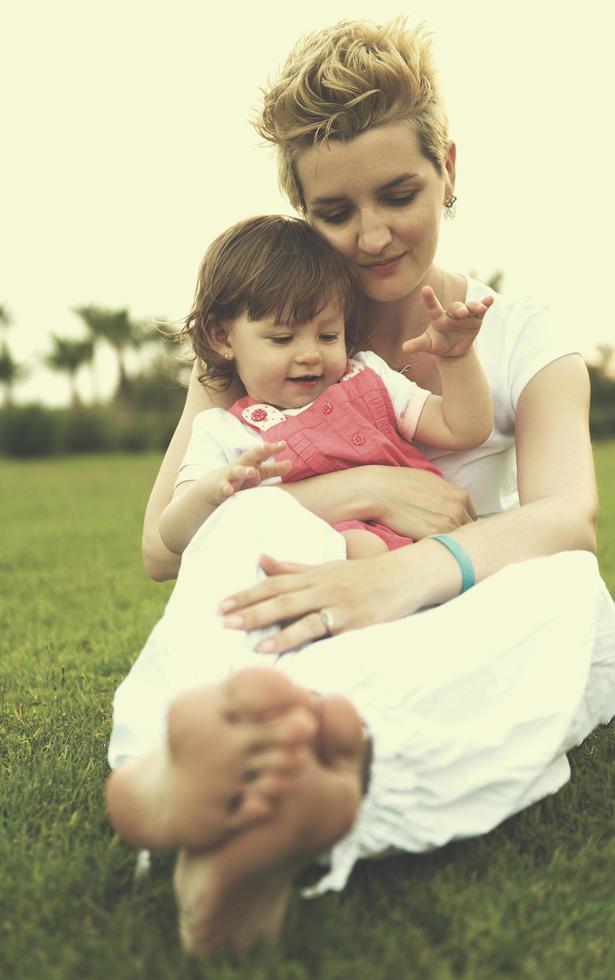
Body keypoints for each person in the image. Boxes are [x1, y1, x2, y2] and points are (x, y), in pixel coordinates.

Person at [105, 17, 615, 958]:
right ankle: (202, 776)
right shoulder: (259, 346)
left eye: (399, 193)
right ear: (300, 209)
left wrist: (400, 574)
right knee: (248, 518)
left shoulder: (523, 338)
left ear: (448, 169)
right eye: (335, 212)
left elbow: (567, 518)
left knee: (567, 591)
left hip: (441, 617)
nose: (372, 235)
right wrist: (358, 493)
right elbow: (160, 547)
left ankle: (270, 794)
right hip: (294, 598)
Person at [159, 214, 494, 560]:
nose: (310, 355)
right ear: (221, 337)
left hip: (427, 554)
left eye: (328, 335)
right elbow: (172, 535)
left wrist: (457, 359)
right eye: (283, 338)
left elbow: (463, 428)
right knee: (359, 547)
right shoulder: (222, 432)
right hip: (316, 578)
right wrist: (210, 494)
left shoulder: (368, 377)